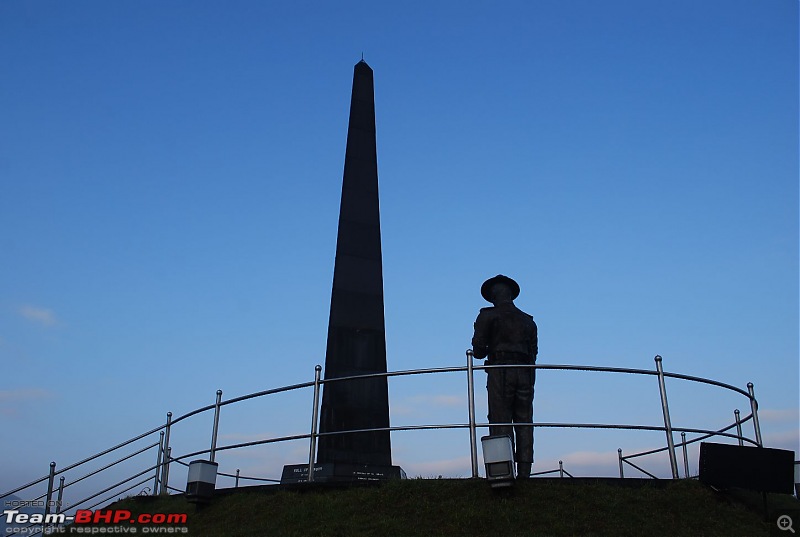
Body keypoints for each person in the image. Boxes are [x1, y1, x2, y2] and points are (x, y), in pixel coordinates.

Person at [471, 275, 538, 479]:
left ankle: (502, 469)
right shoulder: (528, 321)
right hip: (524, 372)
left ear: (493, 296)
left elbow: (479, 351)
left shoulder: (488, 316)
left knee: (500, 419)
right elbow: (533, 354)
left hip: (500, 370)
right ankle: (525, 471)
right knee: (524, 420)